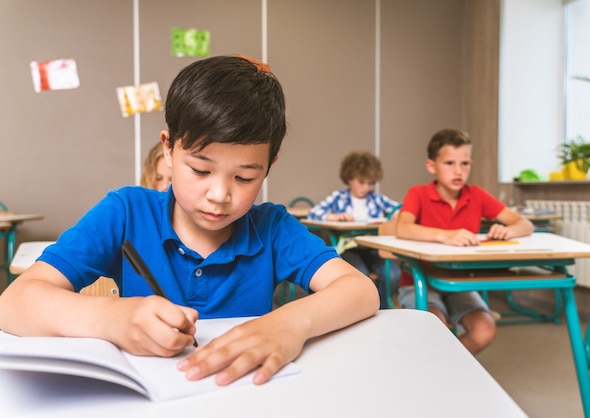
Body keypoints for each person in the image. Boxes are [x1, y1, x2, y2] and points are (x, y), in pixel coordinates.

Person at [0, 56, 379, 386]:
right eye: (200, 170)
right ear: (168, 148)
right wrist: (112, 319)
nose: (220, 194)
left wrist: (290, 324)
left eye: (245, 177)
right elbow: (14, 303)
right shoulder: (127, 212)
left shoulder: (273, 227)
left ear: (268, 167)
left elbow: (360, 291)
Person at [395, 128, 533, 355]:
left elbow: (525, 224)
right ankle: (441, 372)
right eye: (449, 163)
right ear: (432, 166)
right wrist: (443, 235)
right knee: (434, 328)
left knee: (484, 330)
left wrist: (508, 231)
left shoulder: (476, 194)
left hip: (459, 282)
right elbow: (403, 227)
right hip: (418, 282)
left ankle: (444, 369)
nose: (458, 171)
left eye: (465, 163)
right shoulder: (418, 193)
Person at [308, 151, 401, 308]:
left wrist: (398, 215)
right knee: (360, 277)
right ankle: (363, 309)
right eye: (361, 182)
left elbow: (401, 208)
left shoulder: (377, 198)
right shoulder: (338, 197)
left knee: (393, 274)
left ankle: (382, 309)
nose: (366, 187)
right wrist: (334, 217)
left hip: (373, 248)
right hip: (349, 249)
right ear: (350, 178)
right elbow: (314, 213)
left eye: (370, 183)